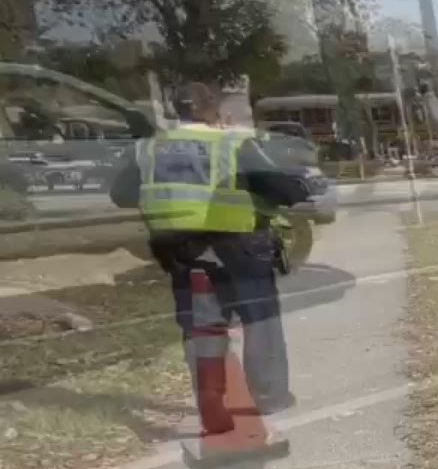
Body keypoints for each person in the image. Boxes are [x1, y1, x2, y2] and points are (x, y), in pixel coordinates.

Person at [111, 81, 312, 424]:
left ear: (174, 110)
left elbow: (121, 193)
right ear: (213, 109)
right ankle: (269, 397)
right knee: (260, 321)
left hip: (178, 249)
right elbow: (280, 187)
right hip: (237, 245)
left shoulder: (147, 149)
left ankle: (210, 401)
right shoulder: (232, 142)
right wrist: (300, 186)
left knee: (200, 325)